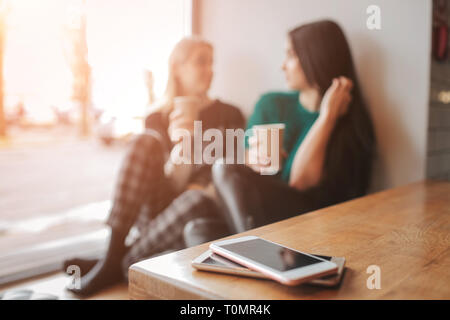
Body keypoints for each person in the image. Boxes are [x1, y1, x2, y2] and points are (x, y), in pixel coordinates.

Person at [63, 36, 245, 296]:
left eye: (211, 63)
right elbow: (163, 180)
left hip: (198, 204)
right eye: (200, 62)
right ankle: (114, 254)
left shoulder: (230, 115)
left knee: (195, 197)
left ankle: (114, 263)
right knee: (144, 142)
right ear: (178, 69)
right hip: (161, 202)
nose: (209, 70)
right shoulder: (157, 117)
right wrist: (179, 147)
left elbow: (219, 178)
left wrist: (191, 143)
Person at [212, 20, 376, 234]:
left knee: (224, 167)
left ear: (315, 57)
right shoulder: (271, 104)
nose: (283, 65)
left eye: (291, 55)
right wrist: (252, 158)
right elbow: (245, 169)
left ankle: (251, 252)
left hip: (313, 225)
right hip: (265, 218)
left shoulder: (349, 122)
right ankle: (252, 252)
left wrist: (326, 118)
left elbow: (300, 183)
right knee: (198, 227)